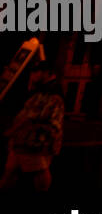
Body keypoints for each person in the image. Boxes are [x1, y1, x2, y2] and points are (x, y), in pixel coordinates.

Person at [2, 60, 64, 192]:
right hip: (23, 139)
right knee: (11, 170)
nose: (33, 75)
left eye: (37, 72)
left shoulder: (52, 94)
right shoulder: (41, 90)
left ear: (48, 73)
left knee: (40, 173)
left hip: (35, 142)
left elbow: (38, 118)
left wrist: (15, 129)